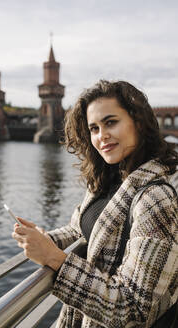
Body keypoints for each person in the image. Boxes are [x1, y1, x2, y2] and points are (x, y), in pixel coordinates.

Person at [12, 80, 178, 327]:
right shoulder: (108, 180)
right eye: (94, 128)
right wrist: (46, 239)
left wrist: (54, 258)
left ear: (139, 123)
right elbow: (82, 229)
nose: (102, 136)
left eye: (111, 122)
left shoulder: (155, 199)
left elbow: (132, 307)